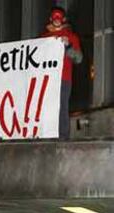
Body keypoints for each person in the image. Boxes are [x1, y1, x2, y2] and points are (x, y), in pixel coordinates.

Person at [41, 7, 82, 139]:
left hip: (64, 78)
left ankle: (63, 136)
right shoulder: (43, 38)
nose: (57, 20)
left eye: (59, 18)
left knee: (62, 106)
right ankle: (46, 135)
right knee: (46, 106)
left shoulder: (71, 37)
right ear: (50, 19)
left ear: (63, 20)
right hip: (47, 79)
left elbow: (78, 58)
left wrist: (68, 46)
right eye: (55, 18)